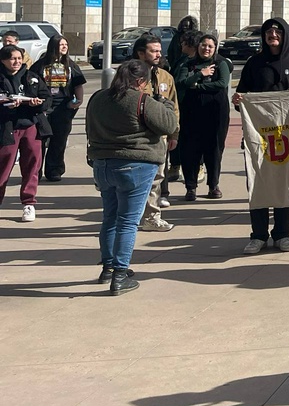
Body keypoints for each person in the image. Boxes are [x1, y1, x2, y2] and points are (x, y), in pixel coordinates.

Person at [86, 60, 180, 294]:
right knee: (128, 222)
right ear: (140, 82)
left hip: (103, 164)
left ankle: (108, 268)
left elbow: (89, 128)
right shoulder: (142, 101)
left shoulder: (97, 98)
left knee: (109, 218)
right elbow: (169, 125)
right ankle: (120, 274)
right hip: (135, 165)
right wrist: (166, 105)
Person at [234, 17, 289, 253]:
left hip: (288, 136)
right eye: (268, 31)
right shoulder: (254, 63)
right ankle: (258, 235)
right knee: (258, 182)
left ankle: (282, 234)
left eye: (278, 32)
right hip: (258, 137)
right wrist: (238, 100)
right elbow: (242, 96)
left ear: (285, 35)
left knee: (283, 184)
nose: (273, 35)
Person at [174, 33, 231, 201]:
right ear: (198, 46)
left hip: (215, 111)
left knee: (214, 148)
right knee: (190, 148)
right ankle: (190, 187)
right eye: (203, 45)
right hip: (191, 112)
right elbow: (181, 83)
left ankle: (213, 185)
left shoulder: (221, 63)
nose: (206, 49)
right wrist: (200, 74)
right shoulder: (188, 64)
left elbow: (222, 83)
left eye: (210, 46)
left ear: (215, 48)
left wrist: (197, 86)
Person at [135, 33, 180, 232]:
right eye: (153, 51)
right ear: (141, 53)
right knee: (136, 180)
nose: (158, 55)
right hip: (135, 137)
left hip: (159, 137)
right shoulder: (129, 76)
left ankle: (151, 218)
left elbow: (174, 107)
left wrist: (174, 133)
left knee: (156, 179)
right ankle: (131, 217)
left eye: (159, 51)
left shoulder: (165, 77)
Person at [0, 44, 50, 222]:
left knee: (32, 164)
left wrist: (38, 103)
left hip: (30, 126)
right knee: (3, 166)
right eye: (12, 58)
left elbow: (47, 98)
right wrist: (7, 105)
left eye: (19, 58)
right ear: (3, 60)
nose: (16, 62)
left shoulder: (31, 77)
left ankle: (29, 203)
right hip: (7, 127)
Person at [31, 33, 85, 182]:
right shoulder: (39, 65)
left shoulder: (71, 65)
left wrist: (78, 101)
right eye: (61, 45)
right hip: (42, 108)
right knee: (39, 140)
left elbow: (78, 85)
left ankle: (54, 170)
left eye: (66, 45)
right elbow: (31, 84)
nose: (64, 47)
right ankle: (35, 172)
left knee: (59, 140)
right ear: (53, 46)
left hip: (63, 107)